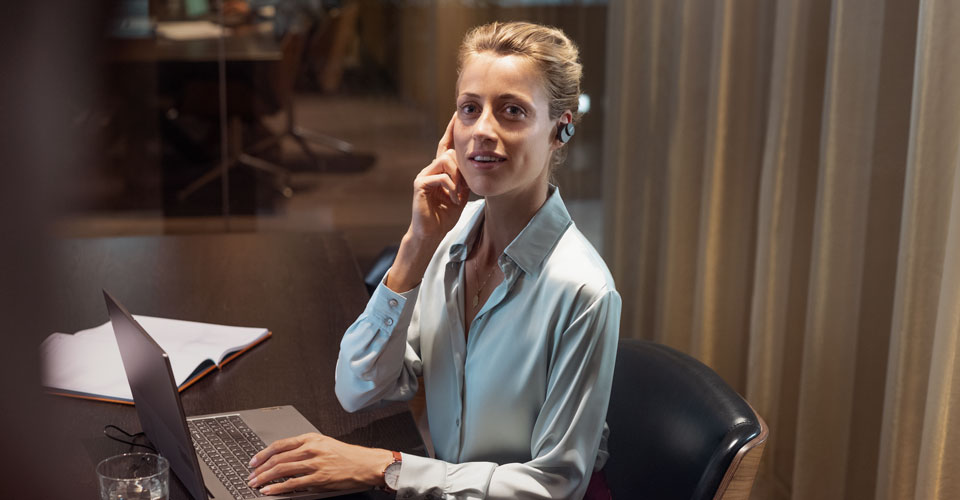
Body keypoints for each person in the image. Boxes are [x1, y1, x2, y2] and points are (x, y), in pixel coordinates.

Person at [245, 21, 621, 499]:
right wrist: (417, 245)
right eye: (470, 109)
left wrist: (391, 468)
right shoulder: (452, 239)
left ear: (560, 129)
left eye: (512, 111)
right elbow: (357, 387)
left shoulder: (585, 291)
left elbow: (554, 485)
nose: (483, 130)